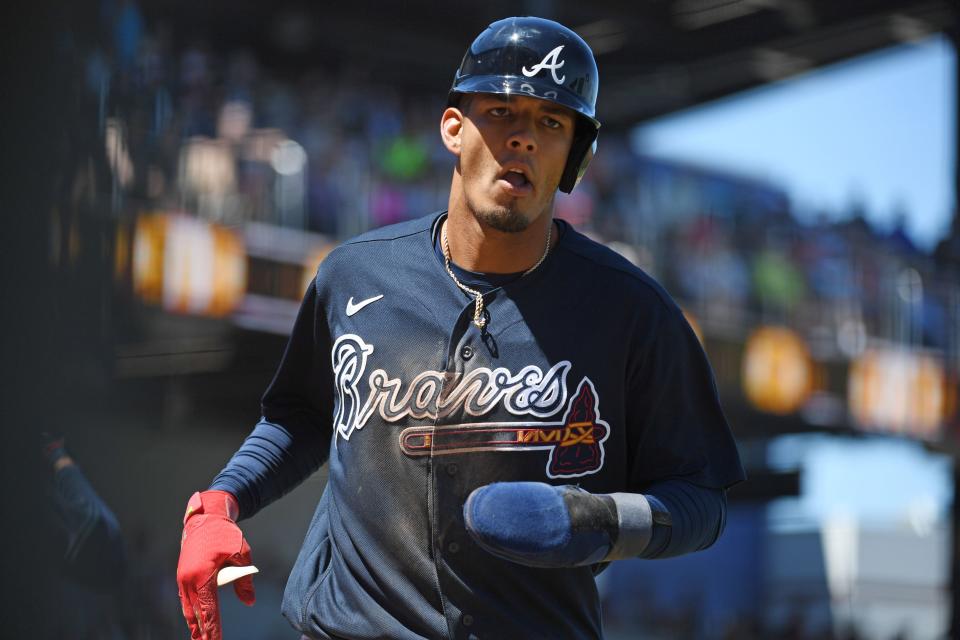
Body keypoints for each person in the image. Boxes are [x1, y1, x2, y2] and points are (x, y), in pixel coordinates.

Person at [177, 16, 744, 640]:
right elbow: (303, 415)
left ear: (573, 159)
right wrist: (221, 501)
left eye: (551, 123)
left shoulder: (633, 311)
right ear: (453, 127)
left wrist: (604, 520)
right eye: (502, 111)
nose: (524, 138)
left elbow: (701, 498)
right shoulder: (354, 275)